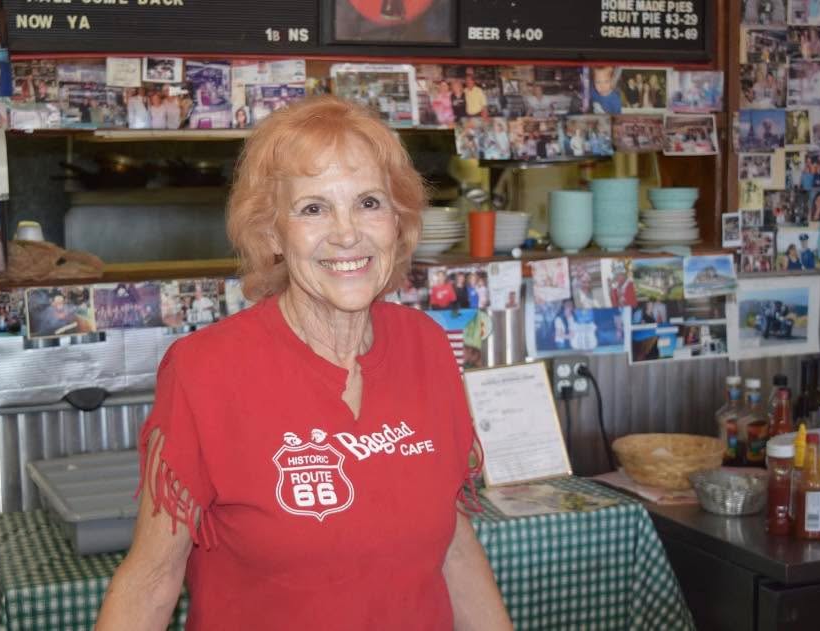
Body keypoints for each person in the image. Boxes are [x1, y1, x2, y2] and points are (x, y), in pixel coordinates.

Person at [96, 96, 512, 630]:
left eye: (368, 202)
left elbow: (453, 544)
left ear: (398, 220)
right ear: (272, 232)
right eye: (313, 208)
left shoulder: (428, 346)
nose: (346, 233)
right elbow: (151, 580)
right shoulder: (204, 372)